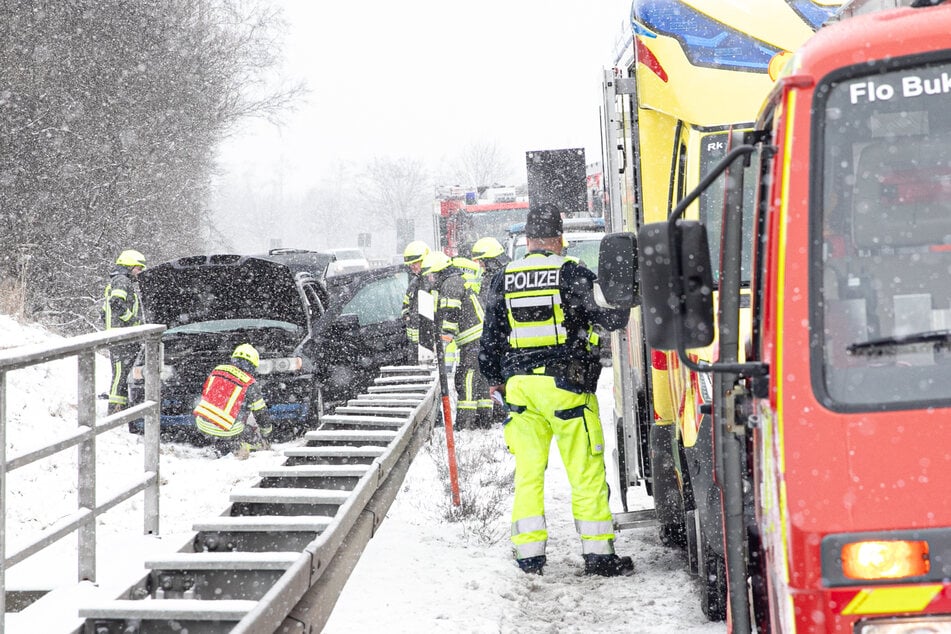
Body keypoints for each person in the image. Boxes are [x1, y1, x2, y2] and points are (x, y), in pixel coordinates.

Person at [478, 203, 635, 577]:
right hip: (565, 388)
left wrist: (494, 378)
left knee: (528, 474)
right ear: (559, 238)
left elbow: (491, 338)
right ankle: (599, 555)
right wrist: (625, 294)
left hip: (520, 391)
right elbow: (609, 317)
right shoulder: (571, 273)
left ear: (528, 240)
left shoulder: (503, 278)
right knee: (585, 472)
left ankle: (529, 556)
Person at [421, 250, 492, 429]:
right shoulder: (453, 280)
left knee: (466, 377)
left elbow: (451, 314)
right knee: (480, 379)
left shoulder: (451, 284)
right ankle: (484, 420)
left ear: (438, 271)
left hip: (474, 339)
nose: (429, 279)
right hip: (480, 338)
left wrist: (444, 340)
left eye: (430, 275)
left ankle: (465, 423)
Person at [193, 343, 273, 458]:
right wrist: (266, 433)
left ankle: (215, 441)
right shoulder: (249, 383)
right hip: (228, 430)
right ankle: (238, 445)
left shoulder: (217, 370)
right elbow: (261, 413)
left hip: (201, 423)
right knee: (252, 435)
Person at [102, 249, 146, 415]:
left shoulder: (118, 281)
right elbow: (116, 303)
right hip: (120, 337)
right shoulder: (122, 281)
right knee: (120, 374)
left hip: (120, 335)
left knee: (123, 373)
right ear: (129, 266)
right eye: (138, 268)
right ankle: (115, 409)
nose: (140, 272)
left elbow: (104, 311)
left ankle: (121, 406)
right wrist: (134, 322)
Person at [401, 240, 431, 362]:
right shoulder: (414, 283)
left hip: (428, 344)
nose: (412, 266)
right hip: (414, 345)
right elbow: (405, 305)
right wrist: (406, 315)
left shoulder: (432, 281)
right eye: (410, 264)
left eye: (415, 262)